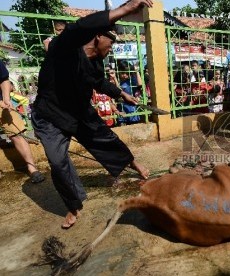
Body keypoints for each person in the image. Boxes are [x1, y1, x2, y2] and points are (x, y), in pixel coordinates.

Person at [31, 0, 153, 229]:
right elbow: (78, 28)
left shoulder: (96, 63)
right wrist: (124, 10)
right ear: (98, 36)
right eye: (112, 41)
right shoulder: (64, 47)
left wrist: (120, 94)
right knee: (58, 163)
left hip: (78, 112)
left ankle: (133, 164)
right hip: (49, 115)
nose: (112, 47)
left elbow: (98, 82)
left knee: (105, 138)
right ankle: (73, 205)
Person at [0, 61, 45, 183]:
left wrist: (6, 99)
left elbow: (4, 79)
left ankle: (32, 168)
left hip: (2, 104)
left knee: (17, 133)